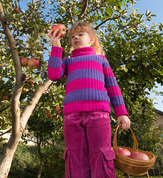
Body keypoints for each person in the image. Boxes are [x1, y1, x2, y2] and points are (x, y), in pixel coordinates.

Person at [47, 21, 130, 178]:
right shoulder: (67, 62)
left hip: (99, 115)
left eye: (80, 34)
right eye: (72, 36)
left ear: (91, 39)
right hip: (72, 117)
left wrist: (121, 113)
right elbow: (53, 74)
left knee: (101, 154)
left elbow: (113, 88)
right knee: (75, 157)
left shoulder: (101, 60)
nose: (75, 38)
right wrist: (56, 45)